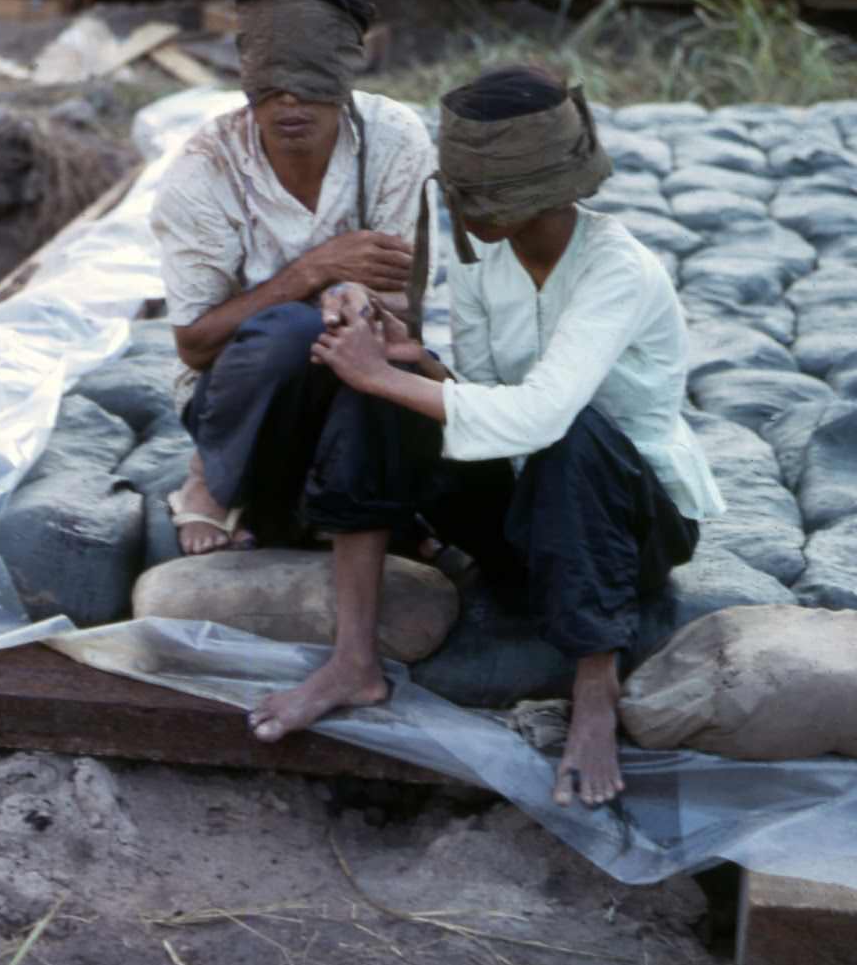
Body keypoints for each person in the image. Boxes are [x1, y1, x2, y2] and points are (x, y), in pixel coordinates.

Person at [309, 65, 725, 810]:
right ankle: (353, 657)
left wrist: (384, 374)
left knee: (573, 435)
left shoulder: (618, 270)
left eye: (483, 196)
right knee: (379, 401)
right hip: (526, 506)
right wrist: (412, 362)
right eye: (460, 194)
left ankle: (595, 689)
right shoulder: (483, 255)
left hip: (630, 525)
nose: (463, 214)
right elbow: (482, 392)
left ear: (541, 188)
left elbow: (541, 417)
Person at [150, 0, 439, 736]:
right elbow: (194, 345)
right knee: (285, 329)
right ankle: (215, 471)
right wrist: (312, 272)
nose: (290, 106)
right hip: (243, 386)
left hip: (352, 368)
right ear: (244, 76)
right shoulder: (205, 172)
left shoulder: (392, 140)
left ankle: (356, 641)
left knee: (388, 365)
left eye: (311, 86)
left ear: (349, 75)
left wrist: (359, 307)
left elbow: (402, 303)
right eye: (270, 85)